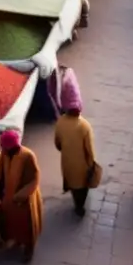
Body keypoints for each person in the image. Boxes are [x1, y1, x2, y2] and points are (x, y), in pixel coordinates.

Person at [0, 130, 43, 263]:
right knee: (11, 222)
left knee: (27, 225)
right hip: (9, 197)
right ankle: (16, 240)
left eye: (5, 147)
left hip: (25, 199)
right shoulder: (4, 155)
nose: (3, 150)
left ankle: (29, 249)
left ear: (13, 147)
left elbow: (34, 179)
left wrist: (20, 196)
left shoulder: (28, 156)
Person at [53, 83, 98, 217]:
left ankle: (76, 202)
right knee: (82, 186)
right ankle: (79, 206)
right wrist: (92, 163)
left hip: (67, 161)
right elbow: (89, 149)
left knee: (72, 183)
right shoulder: (84, 125)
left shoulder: (60, 121)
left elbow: (57, 142)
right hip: (82, 164)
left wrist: (65, 150)